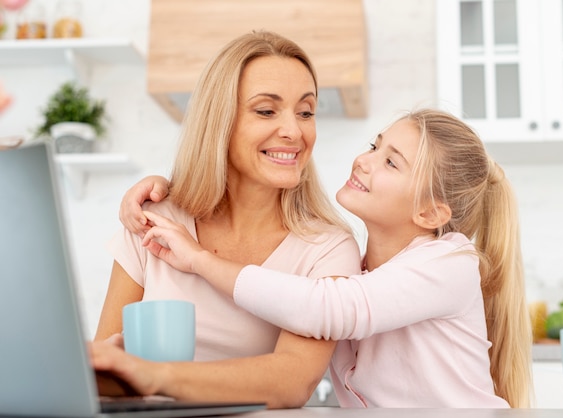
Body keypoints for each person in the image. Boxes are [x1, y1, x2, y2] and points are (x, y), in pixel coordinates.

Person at [119, 109, 533, 408]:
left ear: (429, 213)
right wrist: (172, 190)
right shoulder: (356, 265)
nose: (364, 161)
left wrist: (199, 260)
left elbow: (326, 307)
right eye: (375, 145)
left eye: (391, 162)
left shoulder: (450, 261)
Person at [89, 30, 362, 409]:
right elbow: (104, 372)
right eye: (266, 110)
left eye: (306, 112)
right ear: (220, 121)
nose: (294, 131)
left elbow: (291, 382)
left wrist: (156, 377)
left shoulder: (328, 249)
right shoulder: (155, 220)